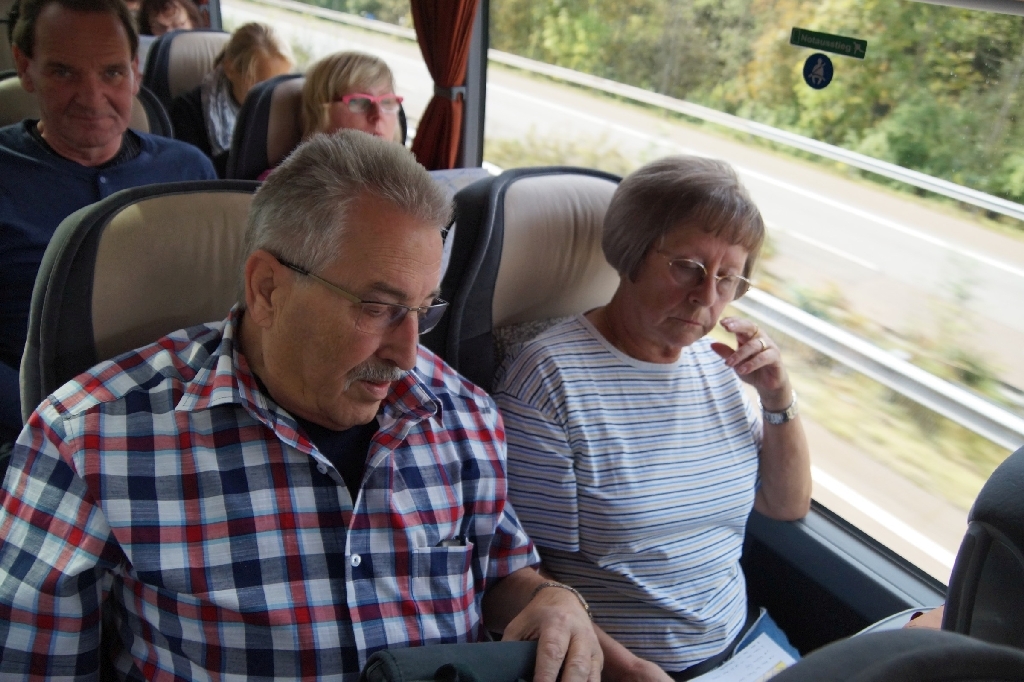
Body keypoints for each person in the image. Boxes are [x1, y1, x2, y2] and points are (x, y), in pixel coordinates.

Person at [0, 130, 602, 681]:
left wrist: (552, 600)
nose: (407, 354)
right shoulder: (88, 440)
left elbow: (501, 572)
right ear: (267, 289)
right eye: (377, 307)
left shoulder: (462, 412)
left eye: (423, 310)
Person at [494, 156, 812, 681]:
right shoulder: (549, 379)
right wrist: (631, 670)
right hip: (621, 667)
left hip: (743, 646)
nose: (707, 297)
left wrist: (778, 397)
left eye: (727, 278)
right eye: (688, 267)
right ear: (631, 253)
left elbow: (785, 504)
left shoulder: (718, 367)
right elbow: (521, 573)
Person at [0, 0, 216, 448]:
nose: (91, 97)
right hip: (30, 426)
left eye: (112, 72)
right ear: (25, 68)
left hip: (181, 416)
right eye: (64, 72)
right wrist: (43, 423)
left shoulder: (189, 170)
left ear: (135, 71)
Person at [256, 51, 403, 182]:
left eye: (387, 102)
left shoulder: (404, 180)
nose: (378, 115)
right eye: (358, 102)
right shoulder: (283, 185)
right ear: (319, 112)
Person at [172, 22, 294, 175]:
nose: (271, 95)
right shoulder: (186, 112)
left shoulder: (287, 112)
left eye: (279, 85)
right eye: (261, 85)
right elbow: (196, 174)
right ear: (230, 69)